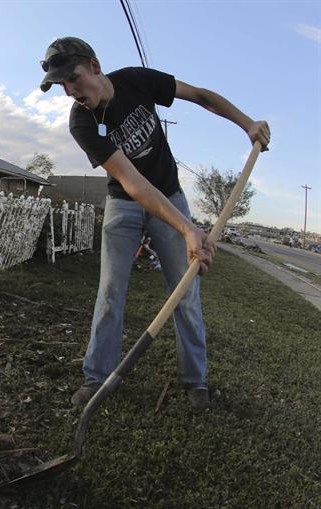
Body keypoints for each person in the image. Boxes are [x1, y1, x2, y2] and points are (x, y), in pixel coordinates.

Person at [38, 37, 270, 411]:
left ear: (95, 67)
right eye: (61, 85)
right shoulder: (81, 121)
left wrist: (247, 122)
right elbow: (133, 183)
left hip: (170, 192)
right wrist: (188, 229)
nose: (69, 91)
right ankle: (97, 379)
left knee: (185, 291)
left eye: (73, 79)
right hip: (124, 203)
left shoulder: (135, 80)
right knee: (110, 293)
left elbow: (199, 96)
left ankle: (196, 380)